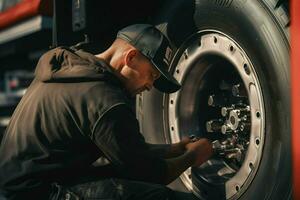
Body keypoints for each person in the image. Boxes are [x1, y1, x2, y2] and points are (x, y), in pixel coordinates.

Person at [0, 24, 213, 200]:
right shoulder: (105, 99)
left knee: (120, 172)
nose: (149, 86)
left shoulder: (71, 68)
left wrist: (174, 149)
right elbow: (149, 173)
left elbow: (127, 151)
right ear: (130, 58)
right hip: (34, 194)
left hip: (21, 183)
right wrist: (192, 156)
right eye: (152, 75)